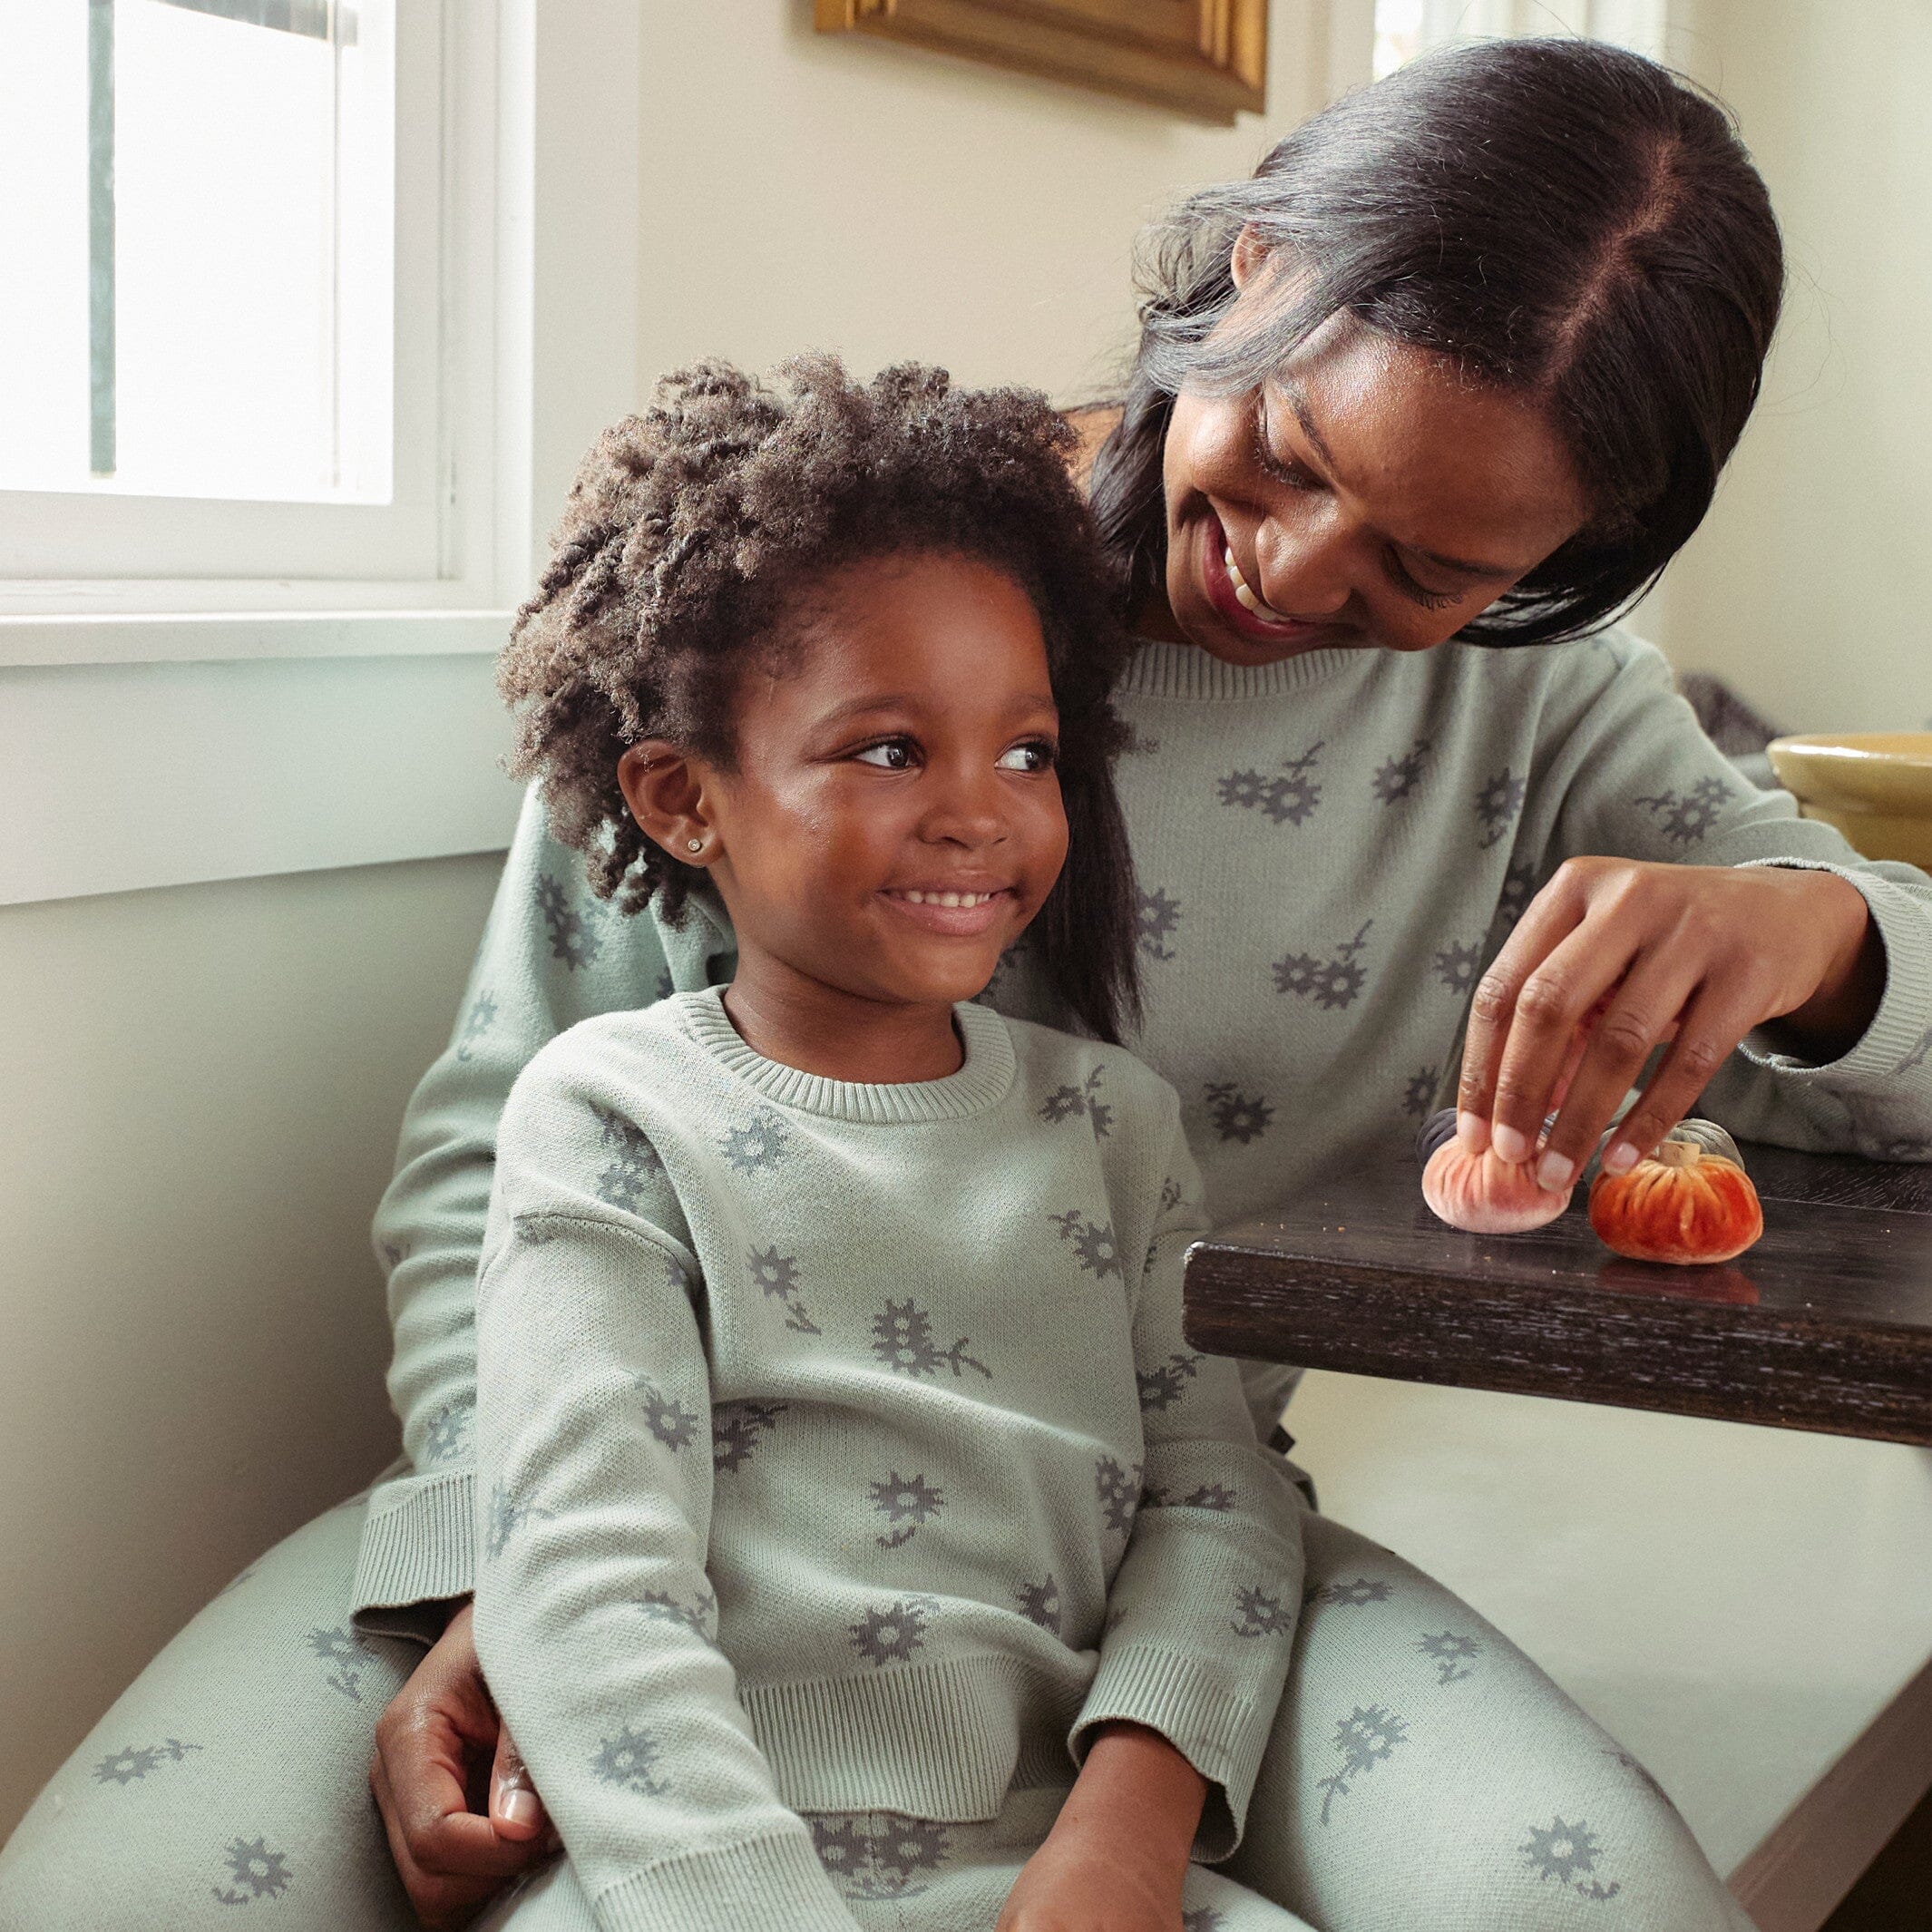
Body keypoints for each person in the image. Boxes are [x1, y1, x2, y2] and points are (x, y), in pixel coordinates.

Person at [8, 35, 1927, 1930]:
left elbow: (1859, 1054)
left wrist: (1820, 936)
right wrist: (490, 1565)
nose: (1290, 568)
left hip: (1144, 1550)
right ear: (1255, 271)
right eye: (1290, 455)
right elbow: (478, 1161)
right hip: (609, 1509)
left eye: (1429, 566)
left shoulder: (1545, 717)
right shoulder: (810, 579)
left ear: (1566, 561)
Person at [469, 354, 1306, 1932]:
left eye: (1026, 752)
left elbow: (1219, 1498)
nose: (979, 813)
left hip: (1070, 1865)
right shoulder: (606, 1117)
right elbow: (580, 1579)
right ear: (680, 798)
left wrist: (1123, 1845)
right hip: (685, 1871)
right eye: (886, 749)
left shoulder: (1114, 1129)